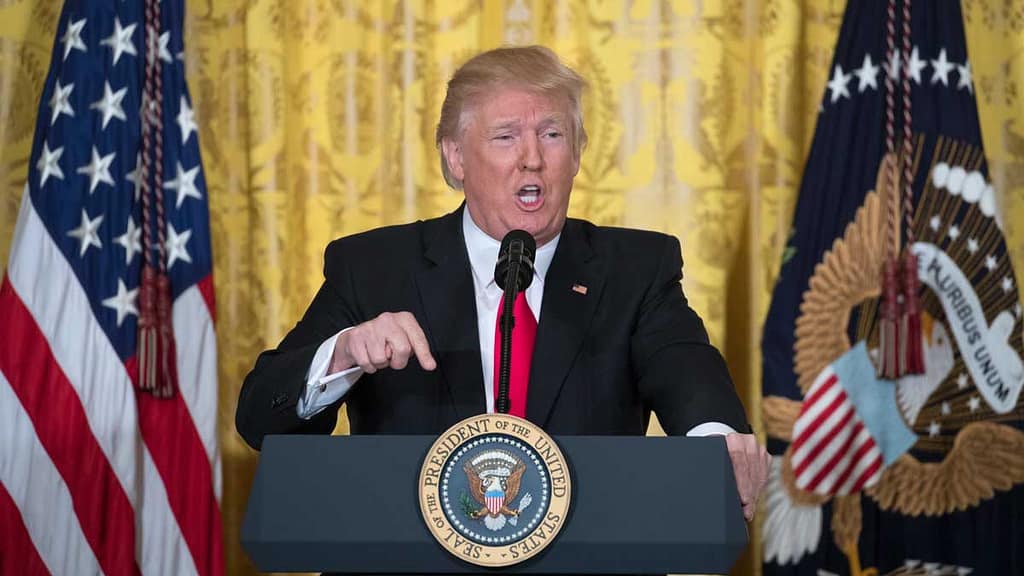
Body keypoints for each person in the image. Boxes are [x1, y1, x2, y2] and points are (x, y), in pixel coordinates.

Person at [236, 45, 769, 521]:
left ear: (577, 153)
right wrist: (345, 352)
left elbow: (685, 368)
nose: (532, 158)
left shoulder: (636, 268)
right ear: (456, 157)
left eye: (552, 135)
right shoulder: (374, 267)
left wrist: (718, 441)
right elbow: (259, 417)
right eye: (506, 136)